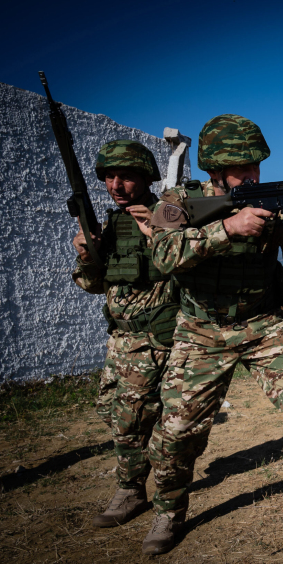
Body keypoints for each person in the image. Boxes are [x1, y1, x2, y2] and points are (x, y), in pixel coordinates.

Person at [143, 114, 283, 555]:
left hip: (262, 325)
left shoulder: (277, 201)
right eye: (242, 166)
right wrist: (226, 229)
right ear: (214, 169)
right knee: (176, 431)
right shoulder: (179, 199)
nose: (253, 173)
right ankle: (168, 512)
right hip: (201, 330)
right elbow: (160, 256)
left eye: (256, 164)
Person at [71, 140, 178, 528]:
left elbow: (188, 264)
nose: (116, 185)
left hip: (152, 340)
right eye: (109, 177)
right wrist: (87, 257)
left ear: (145, 177)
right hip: (118, 340)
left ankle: (132, 491)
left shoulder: (168, 213)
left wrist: (156, 232)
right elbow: (97, 284)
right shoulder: (112, 222)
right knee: (109, 411)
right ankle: (146, 468)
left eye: (126, 176)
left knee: (129, 420)